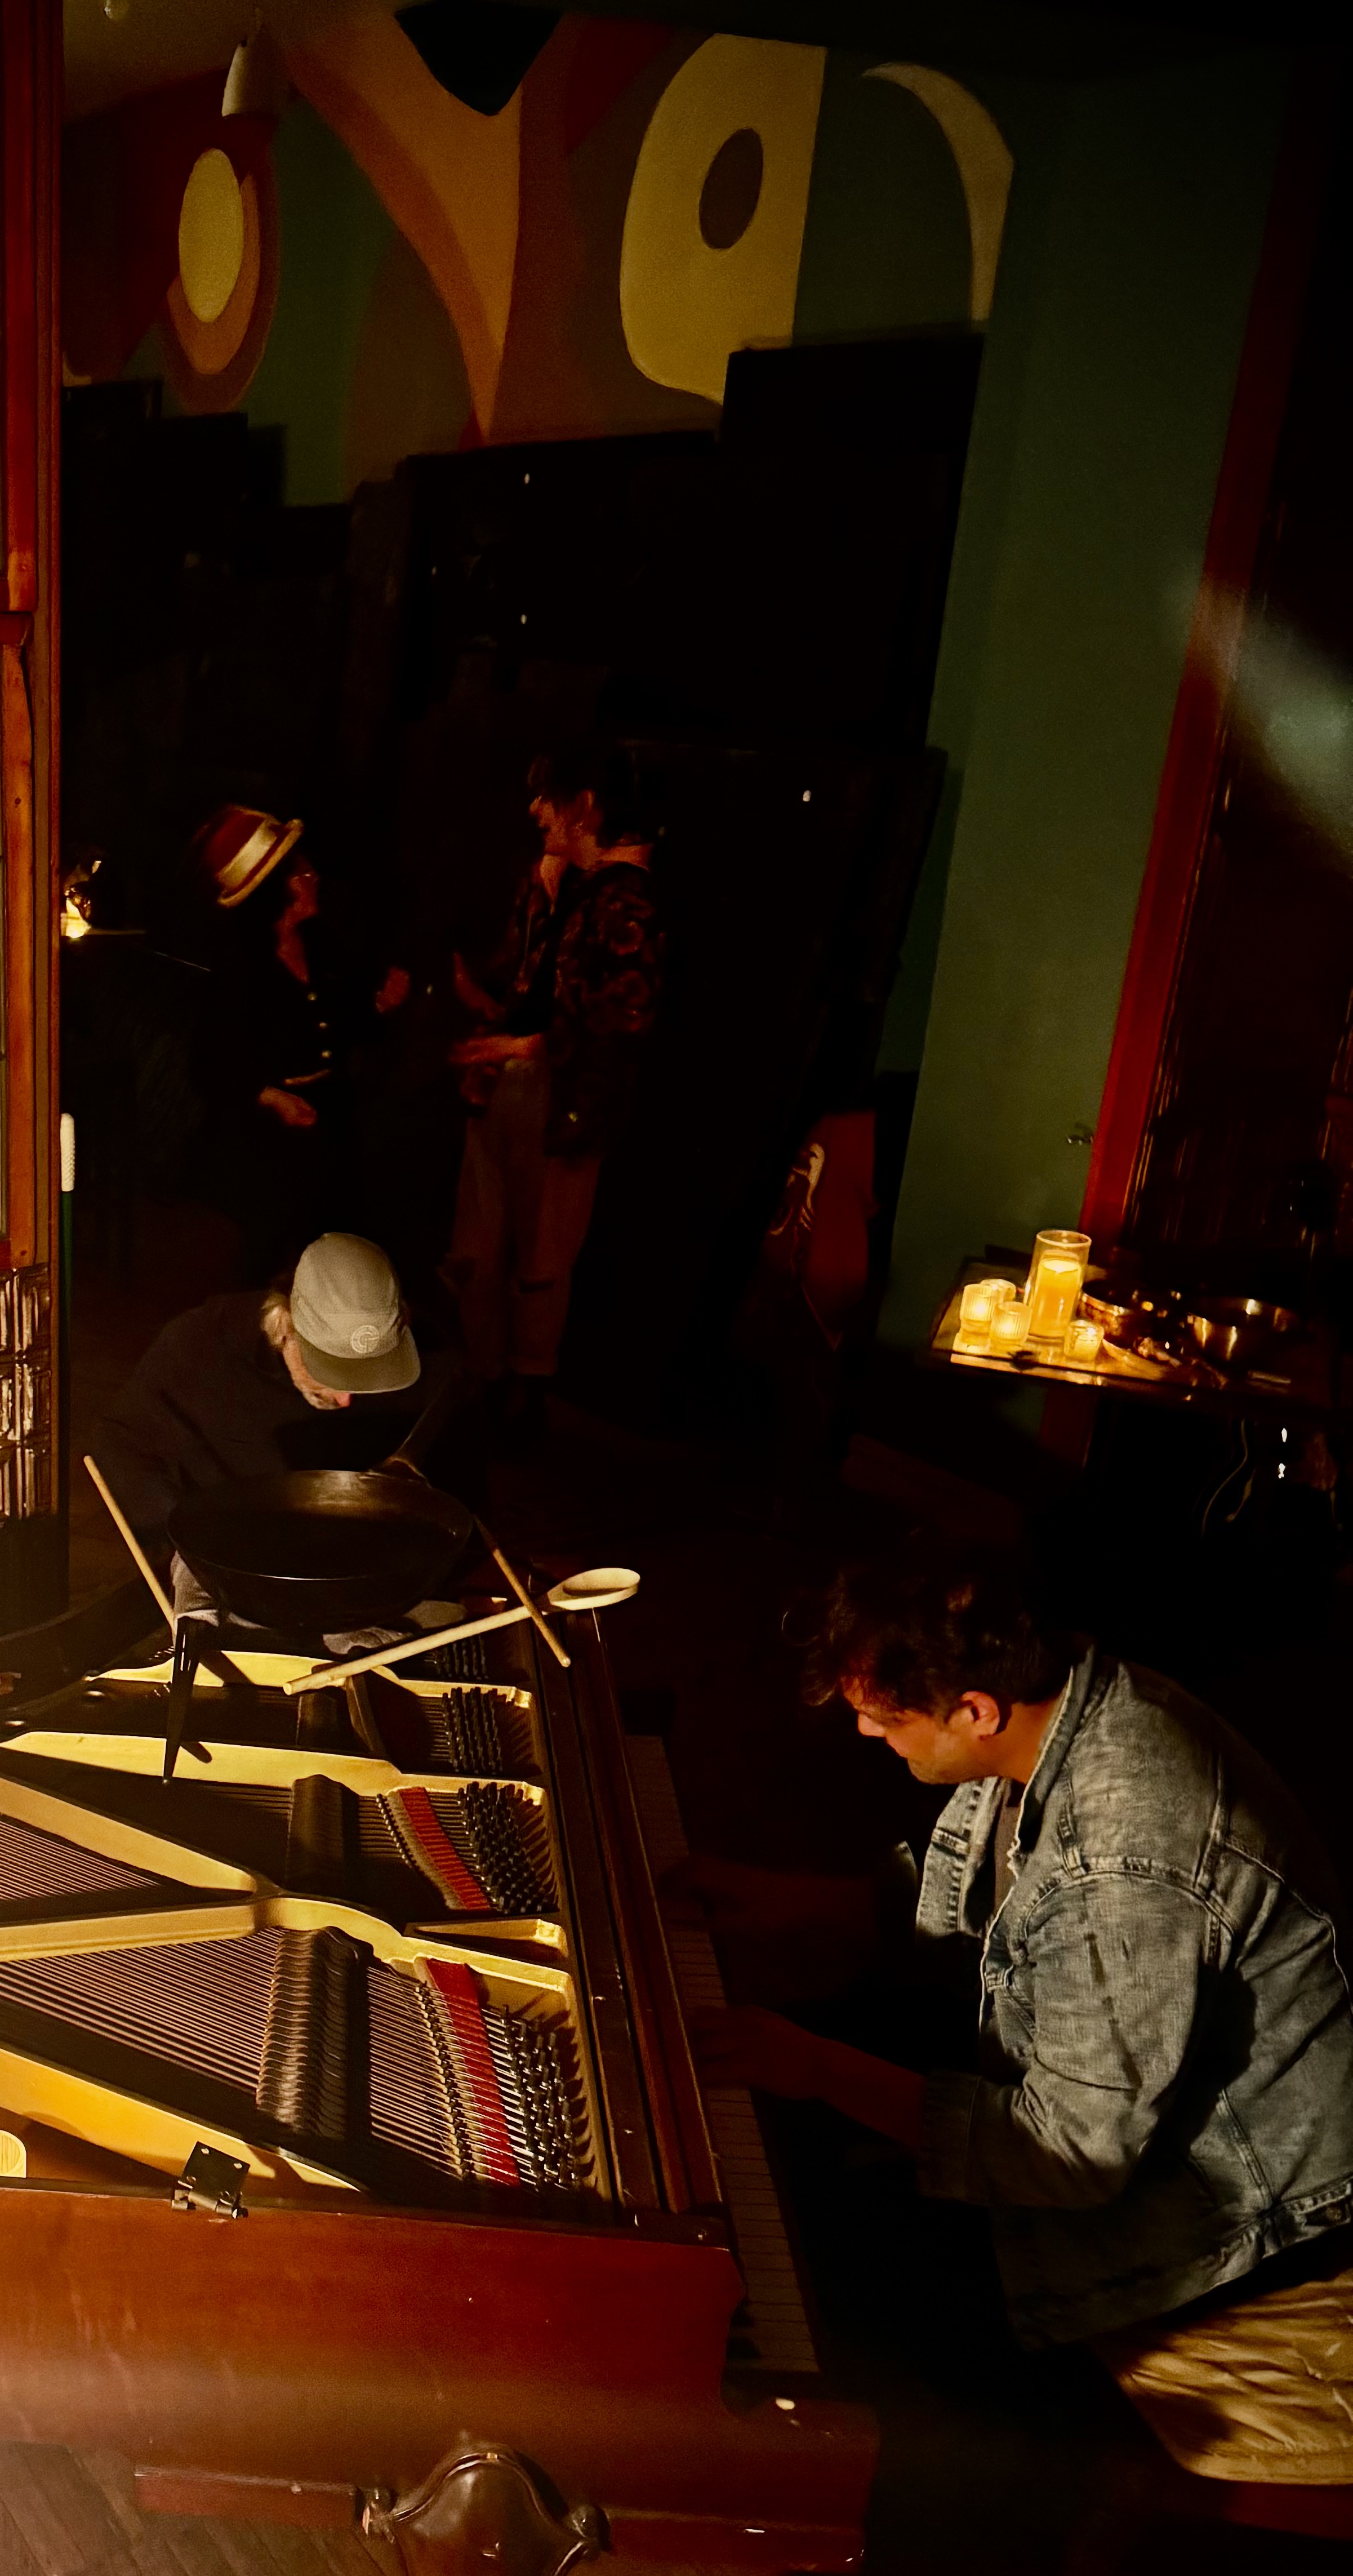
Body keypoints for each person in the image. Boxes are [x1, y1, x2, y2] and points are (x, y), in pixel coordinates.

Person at [689, 1538, 1353, 2351]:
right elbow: (998, 1910)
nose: (865, 1730)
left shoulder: (1120, 1872)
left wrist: (820, 2067)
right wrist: (785, 1904)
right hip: (1099, 2098)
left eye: (886, 1717)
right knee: (789, 2090)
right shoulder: (1074, 1697)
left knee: (834, 2274)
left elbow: (1067, 2153)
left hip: (1209, 2208)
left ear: (976, 1712)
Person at [442, 744, 664, 1398]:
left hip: (566, 1102)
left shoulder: (628, 901)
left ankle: (526, 1388)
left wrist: (515, 1048)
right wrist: (473, 999)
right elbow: (520, 984)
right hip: (502, 1091)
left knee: (542, 1256)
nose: (535, 809)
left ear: (585, 806)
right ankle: (478, 1373)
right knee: (477, 1244)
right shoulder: (548, 882)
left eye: (548, 797)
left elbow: (619, 1021)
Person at [90, 1231, 449, 1559]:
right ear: (285, 1324)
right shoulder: (201, 1348)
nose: (345, 1400)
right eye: (326, 1372)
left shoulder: (432, 1354)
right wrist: (188, 1544)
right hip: (239, 1561)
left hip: (366, 1560)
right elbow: (124, 1446)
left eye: (366, 1376)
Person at [191, 804, 361, 1280]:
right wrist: (272, 1097)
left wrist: (378, 1007)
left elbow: (334, 1028)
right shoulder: (240, 968)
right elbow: (208, 1064)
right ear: (276, 891)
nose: (313, 877)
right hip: (268, 1139)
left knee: (334, 1254)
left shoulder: (320, 945)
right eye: (300, 873)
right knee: (265, 1259)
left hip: (330, 1120)